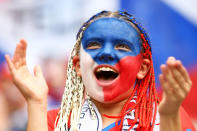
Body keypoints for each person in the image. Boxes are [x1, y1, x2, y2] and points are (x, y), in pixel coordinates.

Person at [4, 11, 195, 131]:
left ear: (142, 68)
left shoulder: (164, 118)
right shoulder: (57, 122)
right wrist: (36, 102)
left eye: (121, 46)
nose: (106, 53)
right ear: (78, 66)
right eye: (94, 45)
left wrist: (169, 116)